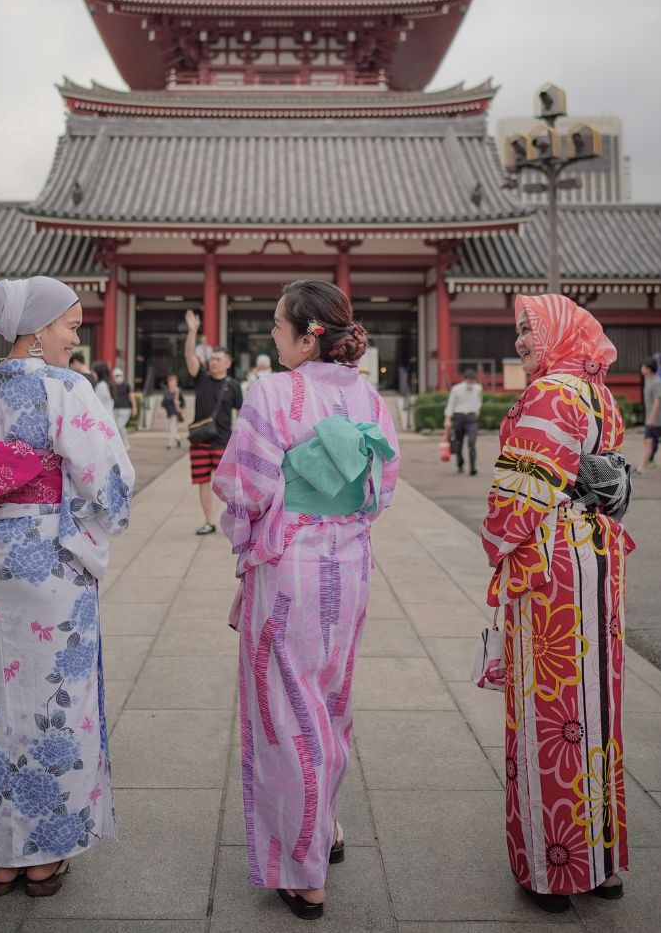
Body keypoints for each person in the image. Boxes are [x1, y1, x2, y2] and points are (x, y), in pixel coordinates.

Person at [0, 276, 133, 898]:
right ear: (38, 329)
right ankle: (45, 857)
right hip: (49, 557)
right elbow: (111, 478)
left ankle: (3, 856)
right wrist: (88, 523)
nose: (77, 333)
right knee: (56, 700)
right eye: (70, 323)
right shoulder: (66, 387)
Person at [213, 280, 399, 920]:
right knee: (331, 696)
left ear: (308, 332)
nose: (271, 333)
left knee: (285, 707)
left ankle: (303, 866)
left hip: (290, 562)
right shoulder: (368, 396)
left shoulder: (272, 391)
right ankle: (327, 821)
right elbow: (383, 487)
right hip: (348, 559)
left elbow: (245, 487)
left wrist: (244, 539)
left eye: (276, 323)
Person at [482, 294, 632, 913]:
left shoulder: (548, 396)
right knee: (597, 706)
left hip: (549, 566)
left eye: (528, 331)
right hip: (597, 555)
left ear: (557, 334)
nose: (520, 343)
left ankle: (552, 865)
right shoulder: (600, 393)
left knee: (550, 706)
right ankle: (600, 861)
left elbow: (516, 498)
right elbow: (613, 475)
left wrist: (494, 538)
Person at [183, 310, 243, 536]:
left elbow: (241, 414)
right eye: (213, 358)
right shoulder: (202, 378)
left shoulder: (233, 385)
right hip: (199, 440)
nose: (214, 362)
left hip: (222, 442)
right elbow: (189, 355)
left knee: (228, 484)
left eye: (218, 359)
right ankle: (209, 520)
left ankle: (235, 519)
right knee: (202, 482)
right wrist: (192, 332)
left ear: (228, 363)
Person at [443, 365, 483, 474]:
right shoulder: (456, 389)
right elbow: (451, 404)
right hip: (459, 416)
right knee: (459, 442)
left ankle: (473, 467)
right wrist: (447, 419)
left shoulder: (478, 388)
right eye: (470, 379)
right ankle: (460, 464)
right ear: (465, 378)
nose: (471, 381)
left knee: (472, 442)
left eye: (473, 379)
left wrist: (477, 409)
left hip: (471, 417)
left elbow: (479, 400)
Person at [639, 358, 661, 474]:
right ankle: (641, 468)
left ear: (649, 369)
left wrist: (652, 417)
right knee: (648, 442)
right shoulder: (648, 379)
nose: (641, 369)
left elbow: (658, 400)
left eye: (643, 366)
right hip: (652, 420)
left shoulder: (657, 381)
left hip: (659, 420)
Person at [160, 372, 186, 449]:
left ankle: (170, 444)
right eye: (170, 382)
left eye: (174, 382)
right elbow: (164, 402)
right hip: (169, 412)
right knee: (170, 428)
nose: (172, 383)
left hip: (176, 412)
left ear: (176, 383)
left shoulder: (178, 391)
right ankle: (178, 438)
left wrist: (181, 406)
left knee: (172, 428)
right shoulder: (167, 392)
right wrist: (160, 410)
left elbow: (183, 402)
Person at [111, 367, 133, 446]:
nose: (118, 377)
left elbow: (131, 396)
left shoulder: (126, 385)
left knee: (120, 427)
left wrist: (134, 408)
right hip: (115, 409)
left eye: (119, 375)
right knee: (116, 428)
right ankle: (119, 445)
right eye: (116, 376)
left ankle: (126, 444)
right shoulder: (112, 386)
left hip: (125, 409)